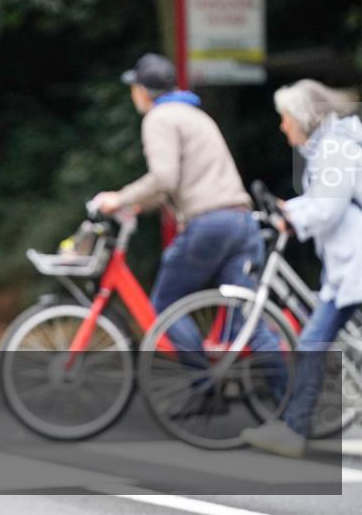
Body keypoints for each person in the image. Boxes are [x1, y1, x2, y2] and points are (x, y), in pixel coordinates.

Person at [92, 54, 284, 405]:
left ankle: (204, 386)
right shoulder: (195, 115)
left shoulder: (159, 118)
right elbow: (175, 184)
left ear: (143, 91)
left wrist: (118, 199)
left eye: (134, 87)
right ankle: (290, 407)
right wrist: (136, 203)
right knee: (249, 320)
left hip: (208, 224)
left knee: (166, 306)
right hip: (240, 221)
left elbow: (164, 178)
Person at [242, 80, 361, 457]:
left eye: (285, 118)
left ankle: (293, 431)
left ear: (303, 118)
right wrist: (291, 210)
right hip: (345, 268)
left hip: (356, 265)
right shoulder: (330, 147)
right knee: (312, 344)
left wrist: (290, 216)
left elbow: (328, 208)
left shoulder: (337, 148)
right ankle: (292, 430)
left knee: (312, 343)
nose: (282, 126)